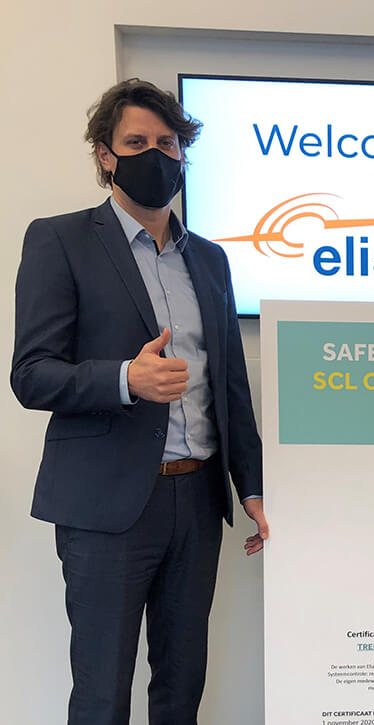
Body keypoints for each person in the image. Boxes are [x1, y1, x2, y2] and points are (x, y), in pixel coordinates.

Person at [11, 78, 268, 725]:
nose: (155, 154)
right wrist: (127, 378)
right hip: (106, 507)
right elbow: (31, 374)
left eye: (168, 143)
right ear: (105, 154)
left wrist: (251, 486)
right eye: (136, 142)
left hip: (197, 498)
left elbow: (230, 384)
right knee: (102, 695)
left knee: (181, 689)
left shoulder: (209, 260)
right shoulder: (60, 241)